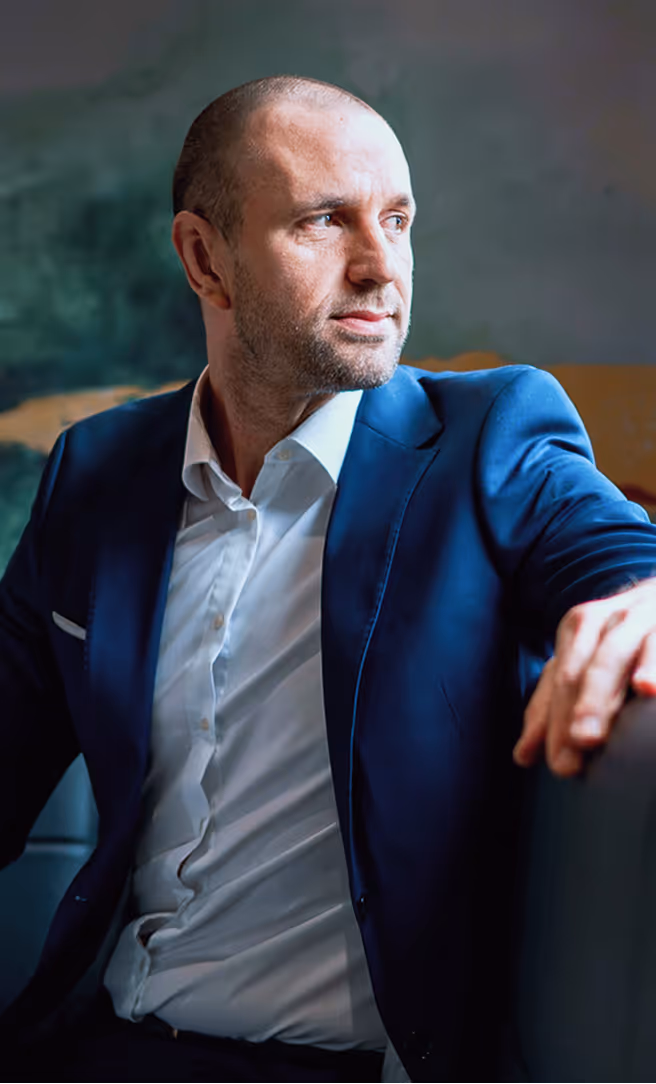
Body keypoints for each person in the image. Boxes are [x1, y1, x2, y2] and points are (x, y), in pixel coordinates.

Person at [1, 74, 656, 1084]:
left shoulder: (488, 439)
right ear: (204, 259)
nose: (380, 265)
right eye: (323, 221)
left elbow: (621, 561)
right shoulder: (98, 473)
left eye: (397, 220)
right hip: (107, 1042)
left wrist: (642, 602)